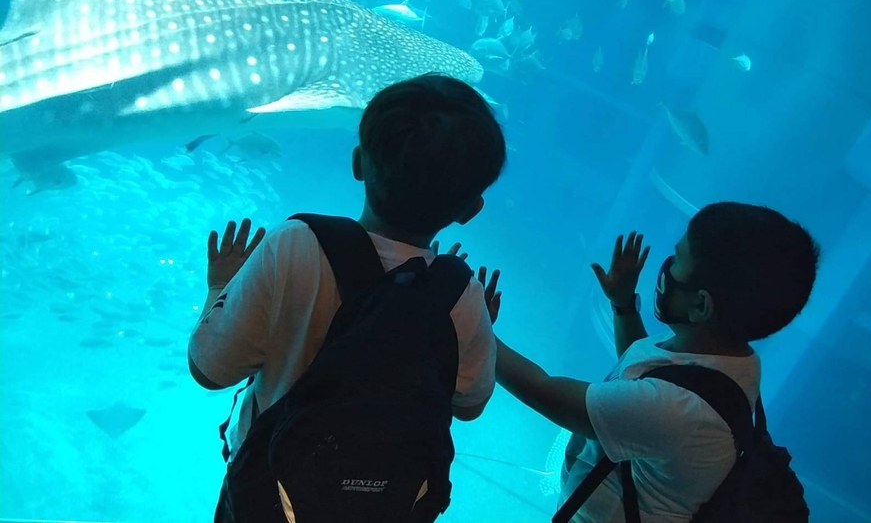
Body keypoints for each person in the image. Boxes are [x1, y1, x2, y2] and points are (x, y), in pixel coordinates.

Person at [186, 74, 507, 519]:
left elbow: (210, 369)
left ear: (358, 163)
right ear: (471, 210)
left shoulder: (296, 245)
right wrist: (472, 333)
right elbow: (469, 407)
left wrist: (220, 285)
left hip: (270, 495)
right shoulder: (462, 295)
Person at [488, 202, 820, 522]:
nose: (667, 266)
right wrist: (623, 306)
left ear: (701, 305)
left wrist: (474, 327)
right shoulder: (728, 361)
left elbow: (545, 392)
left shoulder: (678, 410)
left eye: (677, 259)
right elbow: (649, 373)